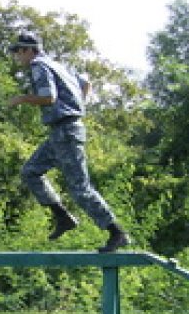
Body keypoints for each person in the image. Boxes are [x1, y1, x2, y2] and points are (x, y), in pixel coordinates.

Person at [7, 32, 131, 252]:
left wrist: (22, 98)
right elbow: (86, 83)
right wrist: (77, 106)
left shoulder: (38, 66)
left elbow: (48, 97)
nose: (17, 57)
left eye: (18, 52)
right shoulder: (58, 65)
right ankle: (63, 217)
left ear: (29, 50)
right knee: (30, 171)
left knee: (79, 188)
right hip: (61, 132)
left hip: (65, 131)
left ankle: (116, 232)